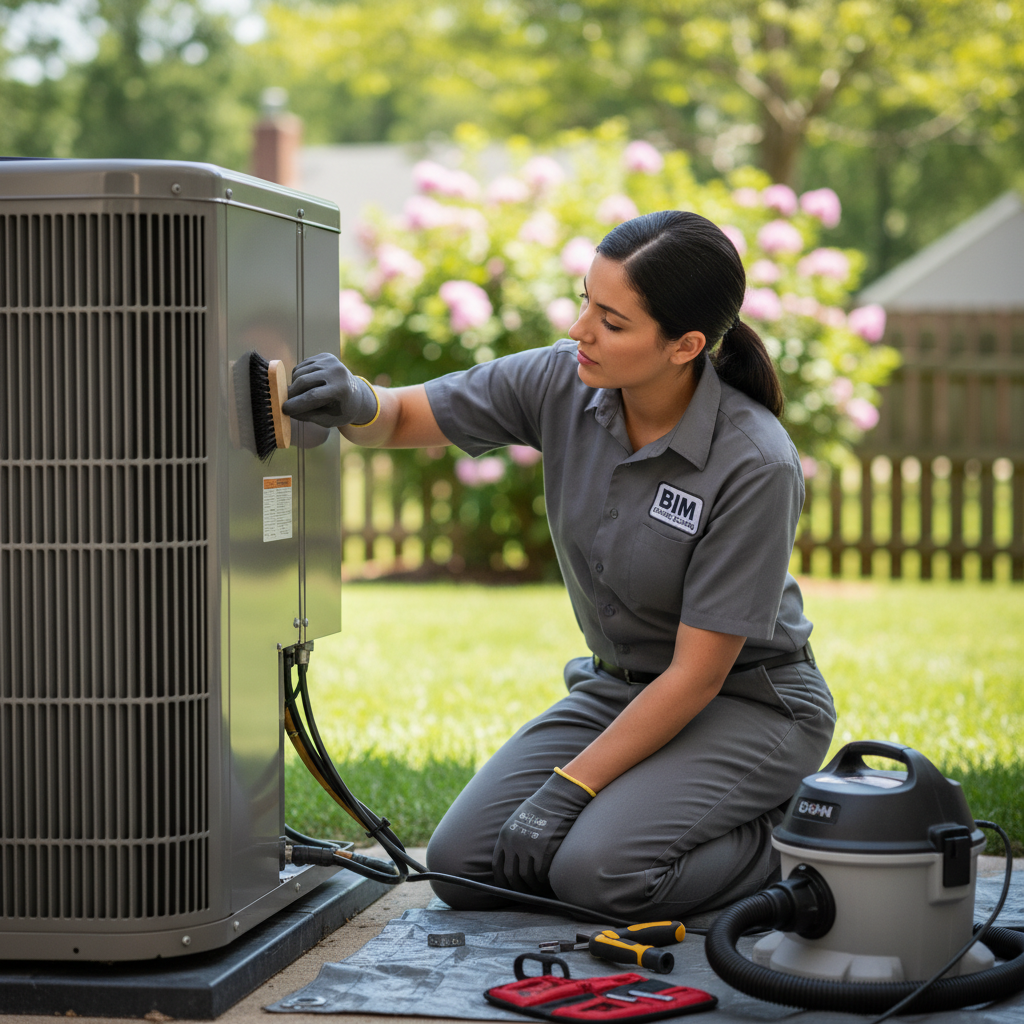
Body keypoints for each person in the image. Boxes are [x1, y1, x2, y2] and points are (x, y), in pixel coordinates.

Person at [282, 210, 836, 920]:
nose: (580, 330)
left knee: (600, 875)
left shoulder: (755, 462)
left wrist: (570, 789)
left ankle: (796, 843)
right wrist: (356, 401)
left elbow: (698, 675)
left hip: (747, 704)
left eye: (611, 320)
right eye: (585, 302)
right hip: (619, 691)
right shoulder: (561, 380)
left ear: (686, 345)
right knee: (463, 867)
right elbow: (400, 417)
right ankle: (642, 824)